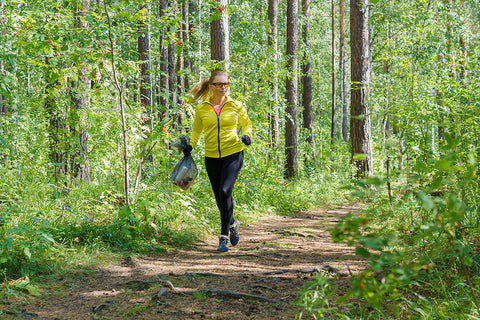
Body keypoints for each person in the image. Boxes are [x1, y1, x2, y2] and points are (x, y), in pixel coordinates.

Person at [184, 69, 253, 252]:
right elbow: (197, 131)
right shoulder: (202, 108)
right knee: (219, 197)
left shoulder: (236, 105)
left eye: (226, 84)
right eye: (220, 84)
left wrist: (247, 135)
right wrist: (190, 145)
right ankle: (232, 223)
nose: (224, 87)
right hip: (211, 157)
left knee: (225, 190)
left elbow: (247, 124)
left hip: (233, 153)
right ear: (212, 86)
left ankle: (223, 237)